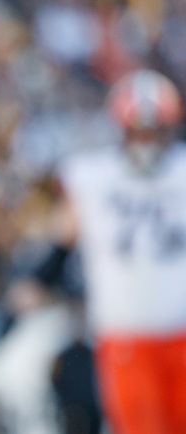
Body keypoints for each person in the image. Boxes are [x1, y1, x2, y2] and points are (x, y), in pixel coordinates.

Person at [47, 68, 186, 434]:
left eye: (154, 130)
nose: (146, 140)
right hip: (127, 334)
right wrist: (38, 281)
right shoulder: (91, 176)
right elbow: (62, 240)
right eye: (138, 130)